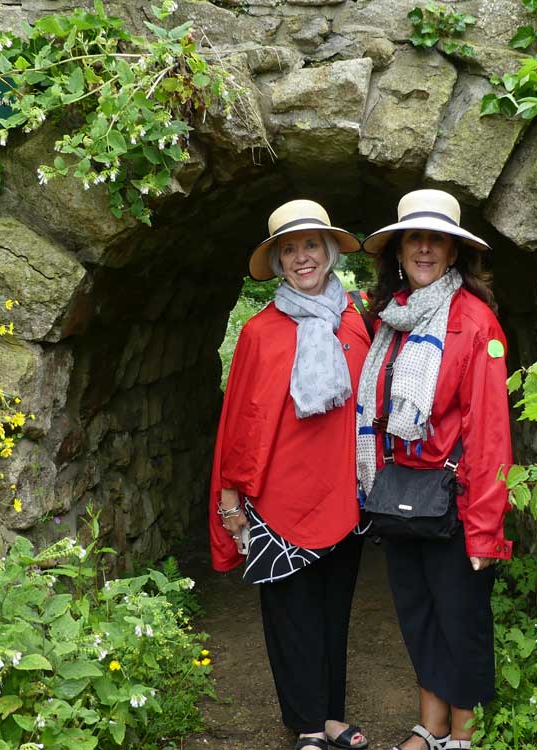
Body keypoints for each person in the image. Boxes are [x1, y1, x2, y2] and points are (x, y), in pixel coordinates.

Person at [209, 199, 371, 750]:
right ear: (277, 262)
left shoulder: (355, 322)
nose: (302, 257)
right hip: (278, 497)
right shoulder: (260, 332)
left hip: (344, 494)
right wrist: (232, 500)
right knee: (291, 615)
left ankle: (330, 714)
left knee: (333, 611)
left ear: (328, 253)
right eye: (289, 249)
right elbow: (241, 421)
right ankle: (306, 723)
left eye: (310, 245)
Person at [355, 189, 513, 750]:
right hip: (398, 492)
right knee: (417, 613)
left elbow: (490, 429)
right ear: (398, 250)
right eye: (414, 238)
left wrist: (485, 527)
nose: (424, 248)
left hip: (453, 499)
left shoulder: (475, 323)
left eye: (436, 239)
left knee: (460, 621)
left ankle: (464, 739)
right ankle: (432, 727)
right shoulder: (391, 317)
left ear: (453, 252)